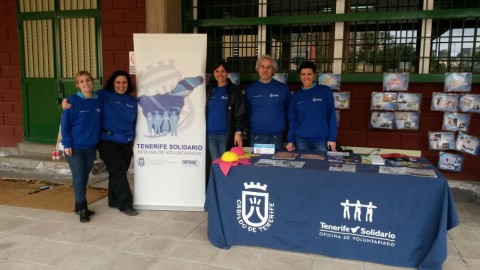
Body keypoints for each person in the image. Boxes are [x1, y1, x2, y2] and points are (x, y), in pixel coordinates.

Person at [63, 70, 139, 216]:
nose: (121, 85)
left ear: (128, 84)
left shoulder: (132, 101)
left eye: (124, 82)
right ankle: (126, 204)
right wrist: (65, 101)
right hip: (107, 141)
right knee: (118, 171)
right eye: (118, 82)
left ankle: (114, 199)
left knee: (119, 171)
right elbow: (83, 96)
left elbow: (136, 121)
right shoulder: (104, 95)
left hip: (125, 141)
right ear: (113, 84)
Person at [61, 71, 102, 223]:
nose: (86, 83)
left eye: (88, 80)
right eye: (82, 81)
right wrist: (67, 144)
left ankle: (78, 205)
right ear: (77, 85)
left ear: (92, 81)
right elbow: (65, 126)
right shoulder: (71, 101)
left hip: (91, 146)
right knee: (79, 177)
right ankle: (83, 207)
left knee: (84, 177)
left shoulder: (98, 100)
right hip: (74, 148)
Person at [286, 61, 337, 152]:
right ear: (300, 76)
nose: (306, 77)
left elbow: (332, 116)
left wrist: (332, 138)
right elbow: (292, 121)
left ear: (314, 75)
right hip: (301, 140)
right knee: (302, 165)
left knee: (320, 166)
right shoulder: (295, 97)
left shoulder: (325, 91)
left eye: (309, 74)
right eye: (303, 74)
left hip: (321, 140)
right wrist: (290, 140)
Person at [245, 55, 291, 150]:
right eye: (262, 66)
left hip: (277, 137)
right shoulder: (250, 90)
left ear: (273, 70)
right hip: (256, 137)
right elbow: (246, 111)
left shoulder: (283, 89)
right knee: (256, 165)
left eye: (268, 67)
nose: (265, 70)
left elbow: (289, 112)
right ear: (258, 69)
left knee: (276, 165)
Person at [206, 60, 247, 160]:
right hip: (210, 135)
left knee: (226, 164)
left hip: (226, 136)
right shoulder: (210, 90)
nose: (220, 74)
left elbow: (240, 113)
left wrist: (238, 132)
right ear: (213, 73)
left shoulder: (234, 90)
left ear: (227, 73)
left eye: (223, 71)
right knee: (215, 164)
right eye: (217, 71)